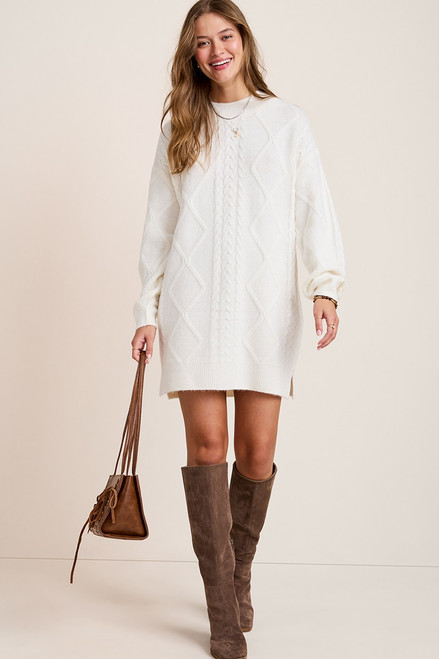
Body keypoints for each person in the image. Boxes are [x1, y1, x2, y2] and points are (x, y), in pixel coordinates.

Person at [131, 1, 346, 657]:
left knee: (255, 455)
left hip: (264, 310)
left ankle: (238, 571)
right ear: (191, 54)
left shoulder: (287, 123)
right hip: (191, 308)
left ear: (244, 41)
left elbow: (313, 208)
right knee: (207, 449)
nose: (215, 50)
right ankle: (222, 613)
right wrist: (146, 312)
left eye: (225, 36)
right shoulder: (180, 123)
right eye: (201, 42)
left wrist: (325, 287)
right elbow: (158, 225)